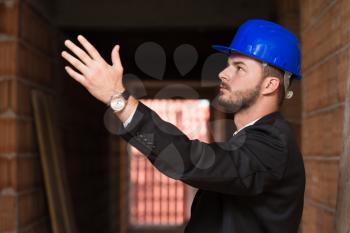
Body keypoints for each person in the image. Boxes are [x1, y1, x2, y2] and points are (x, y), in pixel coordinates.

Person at [61, 19, 305, 233]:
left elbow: (191, 161)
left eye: (239, 68)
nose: (223, 73)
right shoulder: (252, 138)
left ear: (270, 85)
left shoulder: (272, 144)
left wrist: (119, 99)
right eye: (228, 64)